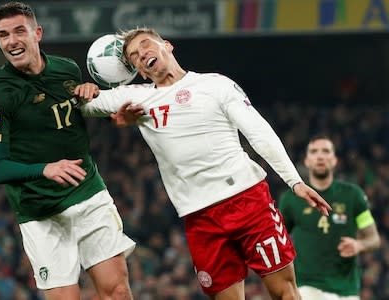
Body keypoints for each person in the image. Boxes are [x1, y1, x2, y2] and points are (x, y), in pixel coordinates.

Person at [78, 27, 332, 299]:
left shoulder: (215, 85)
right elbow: (78, 105)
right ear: (139, 71)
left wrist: (295, 182)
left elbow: (258, 132)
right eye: (135, 56)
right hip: (200, 217)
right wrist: (83, 90)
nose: (143, 55)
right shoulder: (138, 98)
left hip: (248, 202)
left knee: (285, 292)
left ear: (167, 45)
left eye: (146, 45)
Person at [0, 2, 137, 299]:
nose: (11, 41)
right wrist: (45, 169)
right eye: (3, 35)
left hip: (88, 193)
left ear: (37, 33)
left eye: (19, 31)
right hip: (40, 212)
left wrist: (94, 99)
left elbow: (75, 116)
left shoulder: (67, 69)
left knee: (116, 290)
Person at [278, 135, 381, 300]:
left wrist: (359, 245)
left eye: (326, 151)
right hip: (306, 288)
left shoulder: (353, 195)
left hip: (345, 290)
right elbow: (278, 241)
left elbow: (374, 239)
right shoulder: (291, 199)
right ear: (307, 161)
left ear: (334, 160)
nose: (320, 156)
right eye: (314, 151)